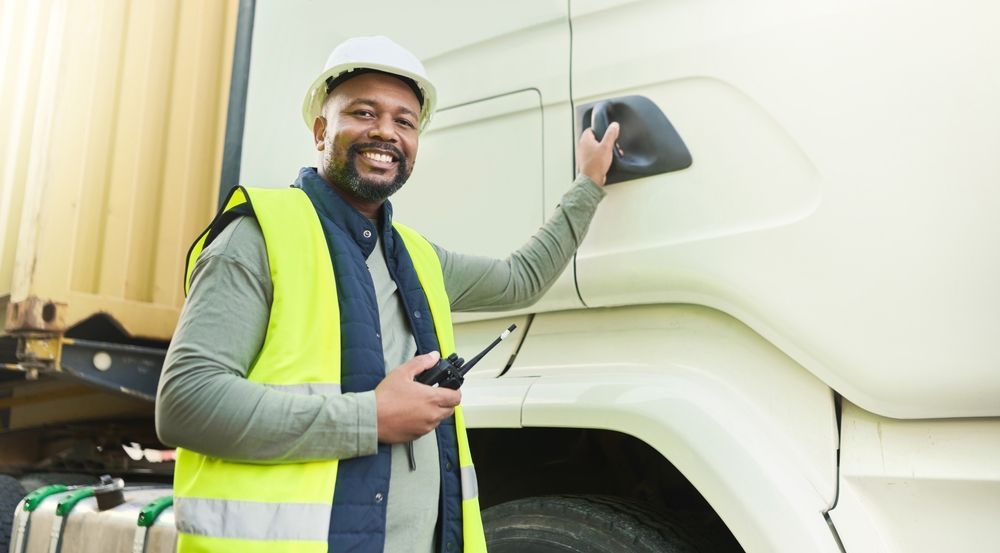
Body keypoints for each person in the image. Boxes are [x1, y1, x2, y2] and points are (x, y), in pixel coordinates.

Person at [155, 35, 620, 553]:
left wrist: (589, 184)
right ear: (320, 130)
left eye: (405, 121)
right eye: (363, 112)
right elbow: (185, 403)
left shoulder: (418, 257)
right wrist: (370, 419)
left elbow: (521, 279)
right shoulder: (259, 236)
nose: (385, 132)